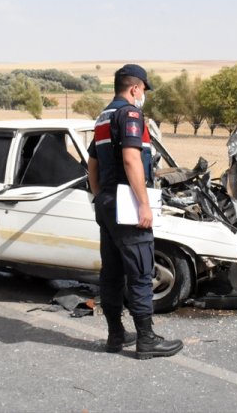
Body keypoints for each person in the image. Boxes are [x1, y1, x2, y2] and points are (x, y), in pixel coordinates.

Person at [87, 64, 183, 360]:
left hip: (106, 202)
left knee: (112, 272)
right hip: (126, 203)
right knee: (141, 271)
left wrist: (98, 194)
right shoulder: (130, 114)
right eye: (144, 90)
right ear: (134, 88)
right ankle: (146, 340)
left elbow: (92, 163)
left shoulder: (103, 117)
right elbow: (131, 159)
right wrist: (142, 203)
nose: (144, 96)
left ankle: (116, 335)